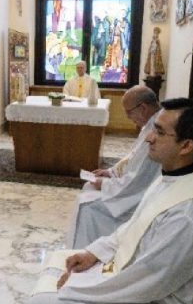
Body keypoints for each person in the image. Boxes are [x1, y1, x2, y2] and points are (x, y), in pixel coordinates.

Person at [0, 98, 193, 304]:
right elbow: (133, 227)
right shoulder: (173, 178)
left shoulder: (188, 216)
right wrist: (94, 253)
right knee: (51, 288)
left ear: (186, 146)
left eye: (159, 132)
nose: (149, 138)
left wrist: (80, 286)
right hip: (140, 291)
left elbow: (147, 282)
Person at [67, 85, 161, 248]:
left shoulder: (156, 133)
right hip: (131, 189)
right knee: (89, 187)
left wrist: (105, 184)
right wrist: (110, 172)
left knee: (86, 207)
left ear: (143, 108)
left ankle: (88, 253)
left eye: (129, 112)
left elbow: (139, 180)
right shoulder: (150, 125)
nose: (127, 116)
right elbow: (131, 159)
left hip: (137, 200)